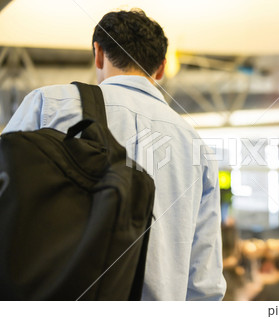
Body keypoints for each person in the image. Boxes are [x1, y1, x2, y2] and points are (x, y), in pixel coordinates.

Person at [2, 9, 226, 300]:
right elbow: (204, 285)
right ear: (160, 69)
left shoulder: (49, 104)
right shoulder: (197, 146)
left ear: (98, 54)